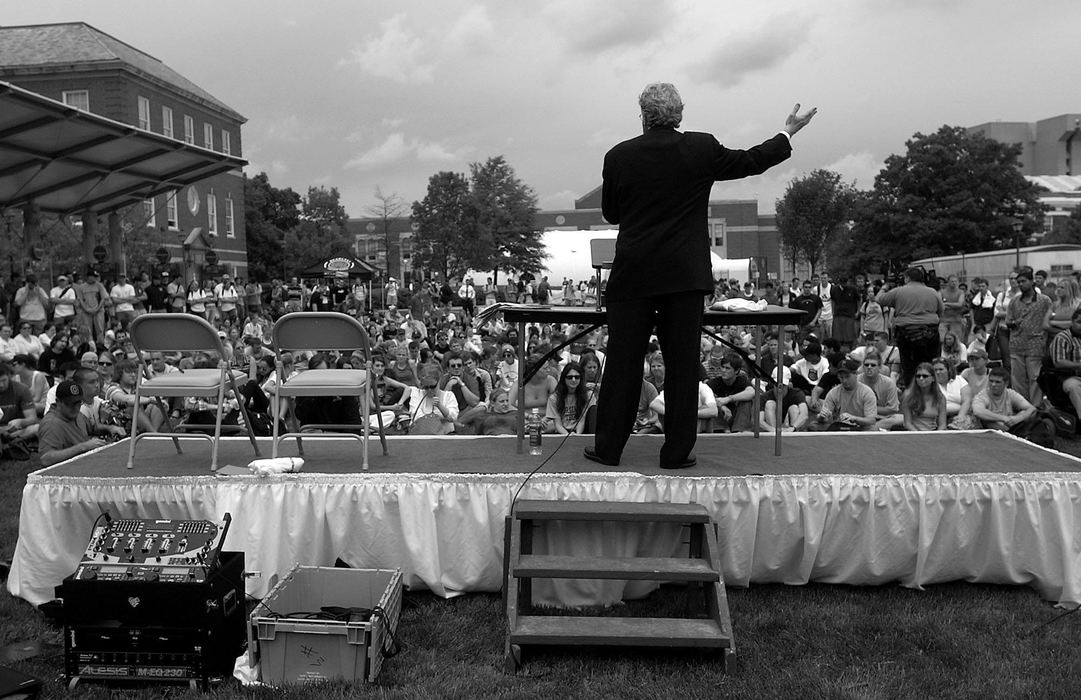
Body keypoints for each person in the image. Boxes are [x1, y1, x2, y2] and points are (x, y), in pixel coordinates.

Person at [586, 82, 815, 469]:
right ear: (680, 115)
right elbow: (749, 161)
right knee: (681, 365)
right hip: (684, 276)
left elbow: (612, 214)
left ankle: (609, 449)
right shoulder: (701, 148)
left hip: (634, 275)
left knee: (623, 364)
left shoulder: (619, 156)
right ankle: (675, 453)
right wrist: (786, 132)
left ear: (642, 116)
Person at [876, 268, 944, 388]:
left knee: (909, 368)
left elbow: (879, 299)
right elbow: (941, 311)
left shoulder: (899, 291)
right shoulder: (933, 292)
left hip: (906, 334)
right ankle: (931, 391)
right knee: (931, 365)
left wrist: (885, 286)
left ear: (907, 278)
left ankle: (912, 394)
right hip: (930, 333)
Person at [1005, 269, 1052, 405]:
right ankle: (1022, 407)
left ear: (1032, 282)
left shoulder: (1044, 300)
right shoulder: (1014, 301)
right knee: (1018, 379)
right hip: (1016, 344)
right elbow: (1008, 322)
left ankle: (1036, 407)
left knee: (1035, 378)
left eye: (1023, 281)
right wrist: (1015, 322)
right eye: (1018, 282)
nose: (1020, 284)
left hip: (1035, 345)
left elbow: (1049, 319)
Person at [38, 380, 110, 467]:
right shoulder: (51, 424)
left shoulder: (76, 415)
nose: (76, 408)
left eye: (78, 403)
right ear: (58, 402)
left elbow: (92, 428)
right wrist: (82, 447)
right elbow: (46, 459)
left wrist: (110, 429)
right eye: (70, 404)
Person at [810, 359, 878, 431]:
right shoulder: (833, 392)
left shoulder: (866, 392)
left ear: (855, 374)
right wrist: (822, 417)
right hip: (838, 426)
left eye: (847, 376)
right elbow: (825, 418)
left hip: (860, 426)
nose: (844, 380)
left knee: (873, 428)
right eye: (841, 377)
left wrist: (854, 418)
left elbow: (871, 420)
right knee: (813, 426)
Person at [972, 367, 1038, 435]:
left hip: (1011, 425)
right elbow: (978, 411)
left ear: (1006, 384)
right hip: (992, 429)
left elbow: (1032, 408)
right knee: (993, 422)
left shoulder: (1010, 393)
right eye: (991, 381)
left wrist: (1017, 419)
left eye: (998, 382)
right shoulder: (982, 395)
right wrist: (1003, 418)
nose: (993, 385)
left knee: (1026, 413)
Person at [901, 362, 947, 431]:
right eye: (918, 376)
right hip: (913, 433)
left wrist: (936, 436)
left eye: (925, 376)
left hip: (933, 433)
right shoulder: (908, 395)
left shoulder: (940, 398)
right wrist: (920, 435)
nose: (921, 378)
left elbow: (942, 424)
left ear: (933, 378)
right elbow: (907, 423)